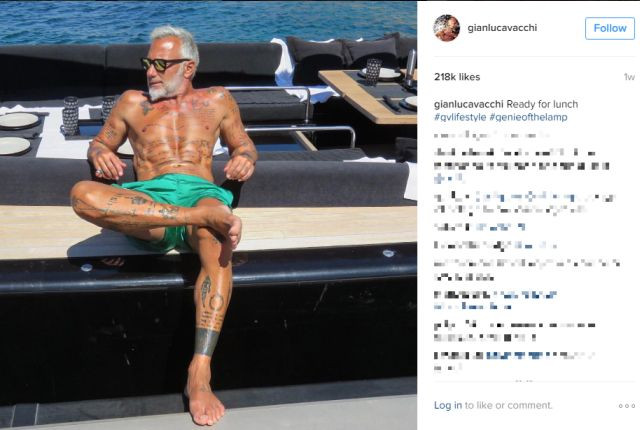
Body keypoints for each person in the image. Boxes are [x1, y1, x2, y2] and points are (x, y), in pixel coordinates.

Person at [70, 25, 258, 426]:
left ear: (188, 67)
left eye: (160, 64)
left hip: (201, 193)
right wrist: (99, 152)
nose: (150, 71)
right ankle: (200, 219)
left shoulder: (218, 99)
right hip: (151, 204)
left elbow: (243, 144)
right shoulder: (131, 103)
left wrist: (244, 158)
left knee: (214, 233)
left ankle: (200, 371)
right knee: (82, 195)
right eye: (147, 63)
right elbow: (101, 142)